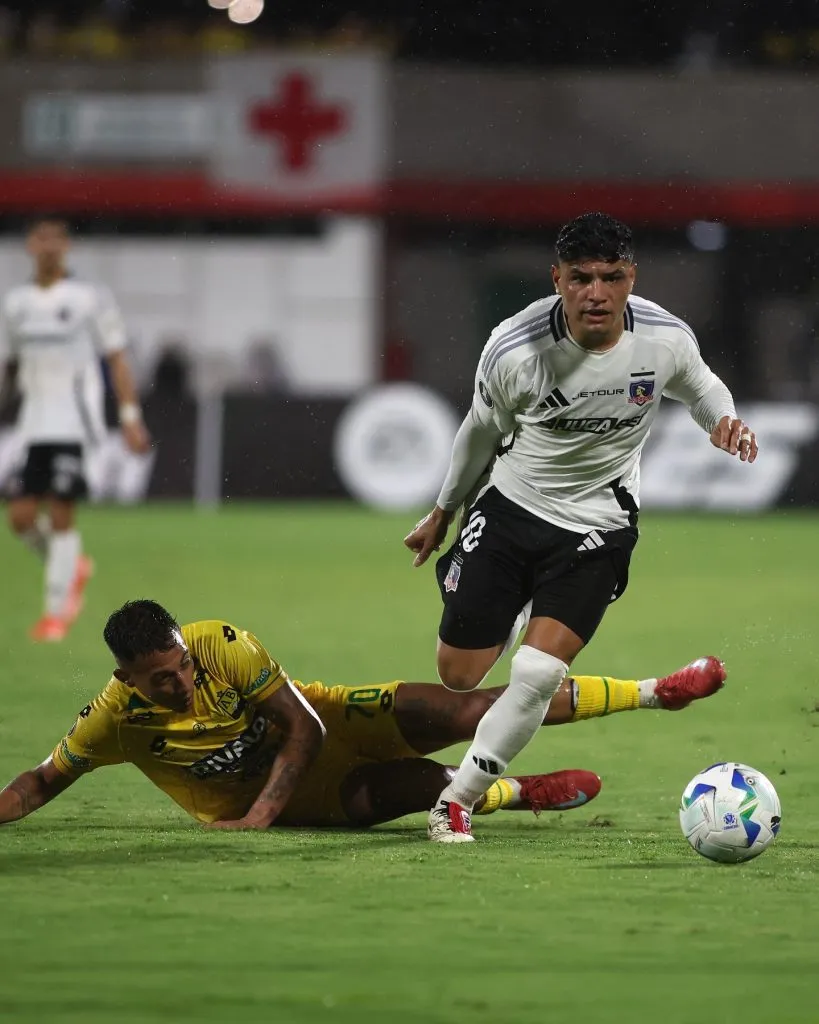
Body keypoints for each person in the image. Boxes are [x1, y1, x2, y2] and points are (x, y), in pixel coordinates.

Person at [404, 211, 756, 843]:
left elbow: (703, 388)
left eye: (612, 277)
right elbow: (479, 432)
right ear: (557, 279)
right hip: (511, 510)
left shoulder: (663, 340)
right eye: (582, 278)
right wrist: (443, 509)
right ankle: (512, 609)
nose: (597, 293)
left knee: (537, 674)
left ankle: (457, 801)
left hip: (600, 522)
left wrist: (722, 421)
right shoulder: (515, 349)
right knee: (460, 674)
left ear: (631, 279)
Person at [0, 599, 725, 830]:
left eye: (181, 664)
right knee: (418, 785)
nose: (182, 681)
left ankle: (654, 691)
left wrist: (257, 823)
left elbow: (304, 728)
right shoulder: (112, 720)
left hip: (321, 721)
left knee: (467, 708)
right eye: (161, 681)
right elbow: (41, 779)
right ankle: (515, 793)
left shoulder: (219, 645)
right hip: (280, 795)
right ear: (127, 678)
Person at [0, 218, 150, 642]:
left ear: (67, 246)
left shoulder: (89, 299)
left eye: (55, 238)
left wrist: (130, 417)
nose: (47, 246)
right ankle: (73, 568)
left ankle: (54, 614)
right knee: (21, 517)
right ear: (30, 244)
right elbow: (11, 365)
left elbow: (117, 359)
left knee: (62, 513)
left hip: (74, 422)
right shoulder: (16, 303)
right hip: (33, 423)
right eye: (40, 237)